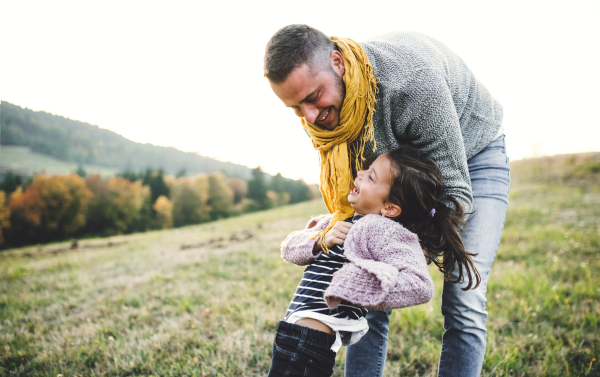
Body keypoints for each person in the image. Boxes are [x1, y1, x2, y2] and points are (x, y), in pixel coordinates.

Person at [263, 25, 510, 377]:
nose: (311, 117)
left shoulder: (411, 83)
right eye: (296, 107)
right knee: (368, 283)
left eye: (314, 96)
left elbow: (454, 192)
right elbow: (359, 191)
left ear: (338, 62)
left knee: (463, 296)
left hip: (474, 155)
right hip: (392, 176)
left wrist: (412, 252)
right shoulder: (319, 111)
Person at [268, 146, 481, 377]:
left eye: (371, 176)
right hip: (291, 332)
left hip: (311, 342)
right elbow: (289, 247)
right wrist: (321, 240)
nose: (359, 173)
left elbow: (420, 285)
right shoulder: (337, 219)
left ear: (390, 208)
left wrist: (358, 281)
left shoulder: (387, 233)